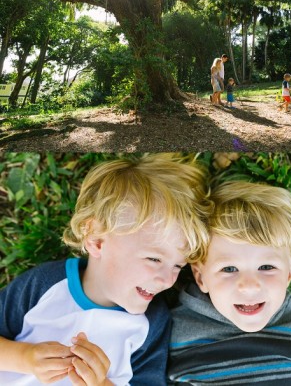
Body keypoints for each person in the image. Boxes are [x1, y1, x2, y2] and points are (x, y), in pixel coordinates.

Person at [0, 154, 211, 385]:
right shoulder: (44, 285)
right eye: (154, 259)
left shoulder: (151, 323)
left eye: (178, 266)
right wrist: (25, 358)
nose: (166, 280)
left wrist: (101, 383)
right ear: (97, 240)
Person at [168, 181, 291, 385]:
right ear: (201, 277)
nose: (250, 286)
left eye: (266, 267)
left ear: (289, 272)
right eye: (229, 269)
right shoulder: (174, 328)